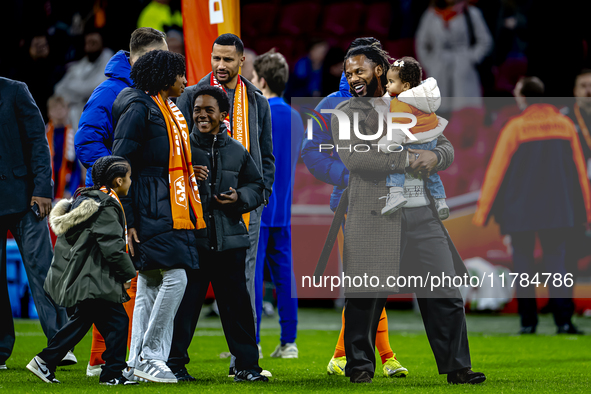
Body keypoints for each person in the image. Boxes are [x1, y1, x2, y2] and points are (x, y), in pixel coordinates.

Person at [331, 43, 484, 384]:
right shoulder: (348, 112)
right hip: (375, 216)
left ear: (379, 71)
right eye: (349, 72)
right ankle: (360, 368)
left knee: (444, 291)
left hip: (422, 215)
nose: (354, 77)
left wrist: (436, 158)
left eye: (360, 70)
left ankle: (458, 368)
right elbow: (357, 160)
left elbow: (443, 145)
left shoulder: (413, 101)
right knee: (366, 297)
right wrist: (407, 159)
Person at [302, 37, 408, 379]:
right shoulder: (329, 105)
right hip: (353, 203)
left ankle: (341, 354)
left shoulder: (393, 102)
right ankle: (385, 356)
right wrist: (347, 176)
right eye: (352, 68)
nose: (356, 73)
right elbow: (311, 152)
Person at [174, 33, 275, 378]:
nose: (220, 65)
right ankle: (174, 363)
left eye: (228, 60)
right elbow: (176, 152)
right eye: (216, 58)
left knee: (240, 288)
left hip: (242, 210)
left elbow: (265, 160)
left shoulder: (257, 101)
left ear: (241, 61)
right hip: (194, 214)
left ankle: (244, 362)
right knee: (189, 293)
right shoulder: (190, 96)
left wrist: (253, 198)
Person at [74, 26, 167, 377]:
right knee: (115, 282)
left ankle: (117, 356)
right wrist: (118, 179)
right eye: (156, 57)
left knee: (127, 281)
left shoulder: (146, 91)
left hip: (138, 200)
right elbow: (85, 143)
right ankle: (100, 359)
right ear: (139, 56)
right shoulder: (110, 91)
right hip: (110, 202)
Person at [474, 77, 591, 335]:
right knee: (558, 265)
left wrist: (483, 214)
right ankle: (564, 322)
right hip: (558, 210)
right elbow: (579, 170)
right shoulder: (564, 125)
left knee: (524, 265)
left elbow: (496, 172)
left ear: (522, 97)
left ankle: (528, 323)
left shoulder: (515, 127)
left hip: (520, 211)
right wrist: (586, 208)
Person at [113, 50, 201, 383]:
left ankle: (135, 360)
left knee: (151, 280)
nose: (185, 80)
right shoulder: (140, 109)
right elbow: (119, 165)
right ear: (166, 77)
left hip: (164, 202)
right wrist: (129, 219)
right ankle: (151, 355)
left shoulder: (164, 108)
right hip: (150, 205)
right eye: (180, 74)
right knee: (176, 277)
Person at [27, 156, 137, 385]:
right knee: (117, 322)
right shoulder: (106, 205)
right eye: (128, 177)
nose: (131, 181)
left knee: (84, 321)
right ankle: (112, 373)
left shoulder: (86, 200)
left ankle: (46, 361)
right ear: (118, 181)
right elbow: (113, 248)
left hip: (85, 275)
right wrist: (127, 273)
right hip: (93, 277)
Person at [0, 77, 71, 370]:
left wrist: (43, 189)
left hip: (26, 198)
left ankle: (61, 344)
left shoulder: (16, 90)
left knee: (42, 268)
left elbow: (37, 142)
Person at [251, 49, 302, 358]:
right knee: (285, 277)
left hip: (257, 207)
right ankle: (289, 342)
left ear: (263, 80)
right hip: (283, 208)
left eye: (255, 78)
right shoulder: (296, 116)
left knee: (252, 276)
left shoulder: (258, 113)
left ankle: (252, 341)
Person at [378, 57, 449, 219]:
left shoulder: (400, 103)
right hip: (431, 140)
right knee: (431, 172)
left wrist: (386, 145)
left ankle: (395, 194)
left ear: (405, 86)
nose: (386, 85)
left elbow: (398, 130)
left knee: (395, 159)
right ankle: (440, 201)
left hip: (414, 141)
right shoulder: (422, 96)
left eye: (390, 81)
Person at [415, 0, 492, 112]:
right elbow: (421, 43)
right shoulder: (431, 14)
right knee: (439, 114)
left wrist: (471, 58)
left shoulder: (471, 13)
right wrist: (429, 63)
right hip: (438, 68)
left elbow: (485, 41)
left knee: (465, 114)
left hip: (463, 68)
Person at [54, 29, 114, 130]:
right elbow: (59, 89)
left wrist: (73, 92)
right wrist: (82, 96)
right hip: (77, 117)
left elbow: (98, 88)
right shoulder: (78, 66)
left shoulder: (110, 61)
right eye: (88, 42)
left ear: (102, 44)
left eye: (94, 43)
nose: (90, 45)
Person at [46, 96, 81, 200]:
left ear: (67, 110)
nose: (59, 112)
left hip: (66, 190)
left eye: (61, 108)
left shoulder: (74, 135)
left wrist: (71, 190)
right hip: (48, 190)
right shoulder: (43, 135)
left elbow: (76, 168)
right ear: (49, 112)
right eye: (55, 108)